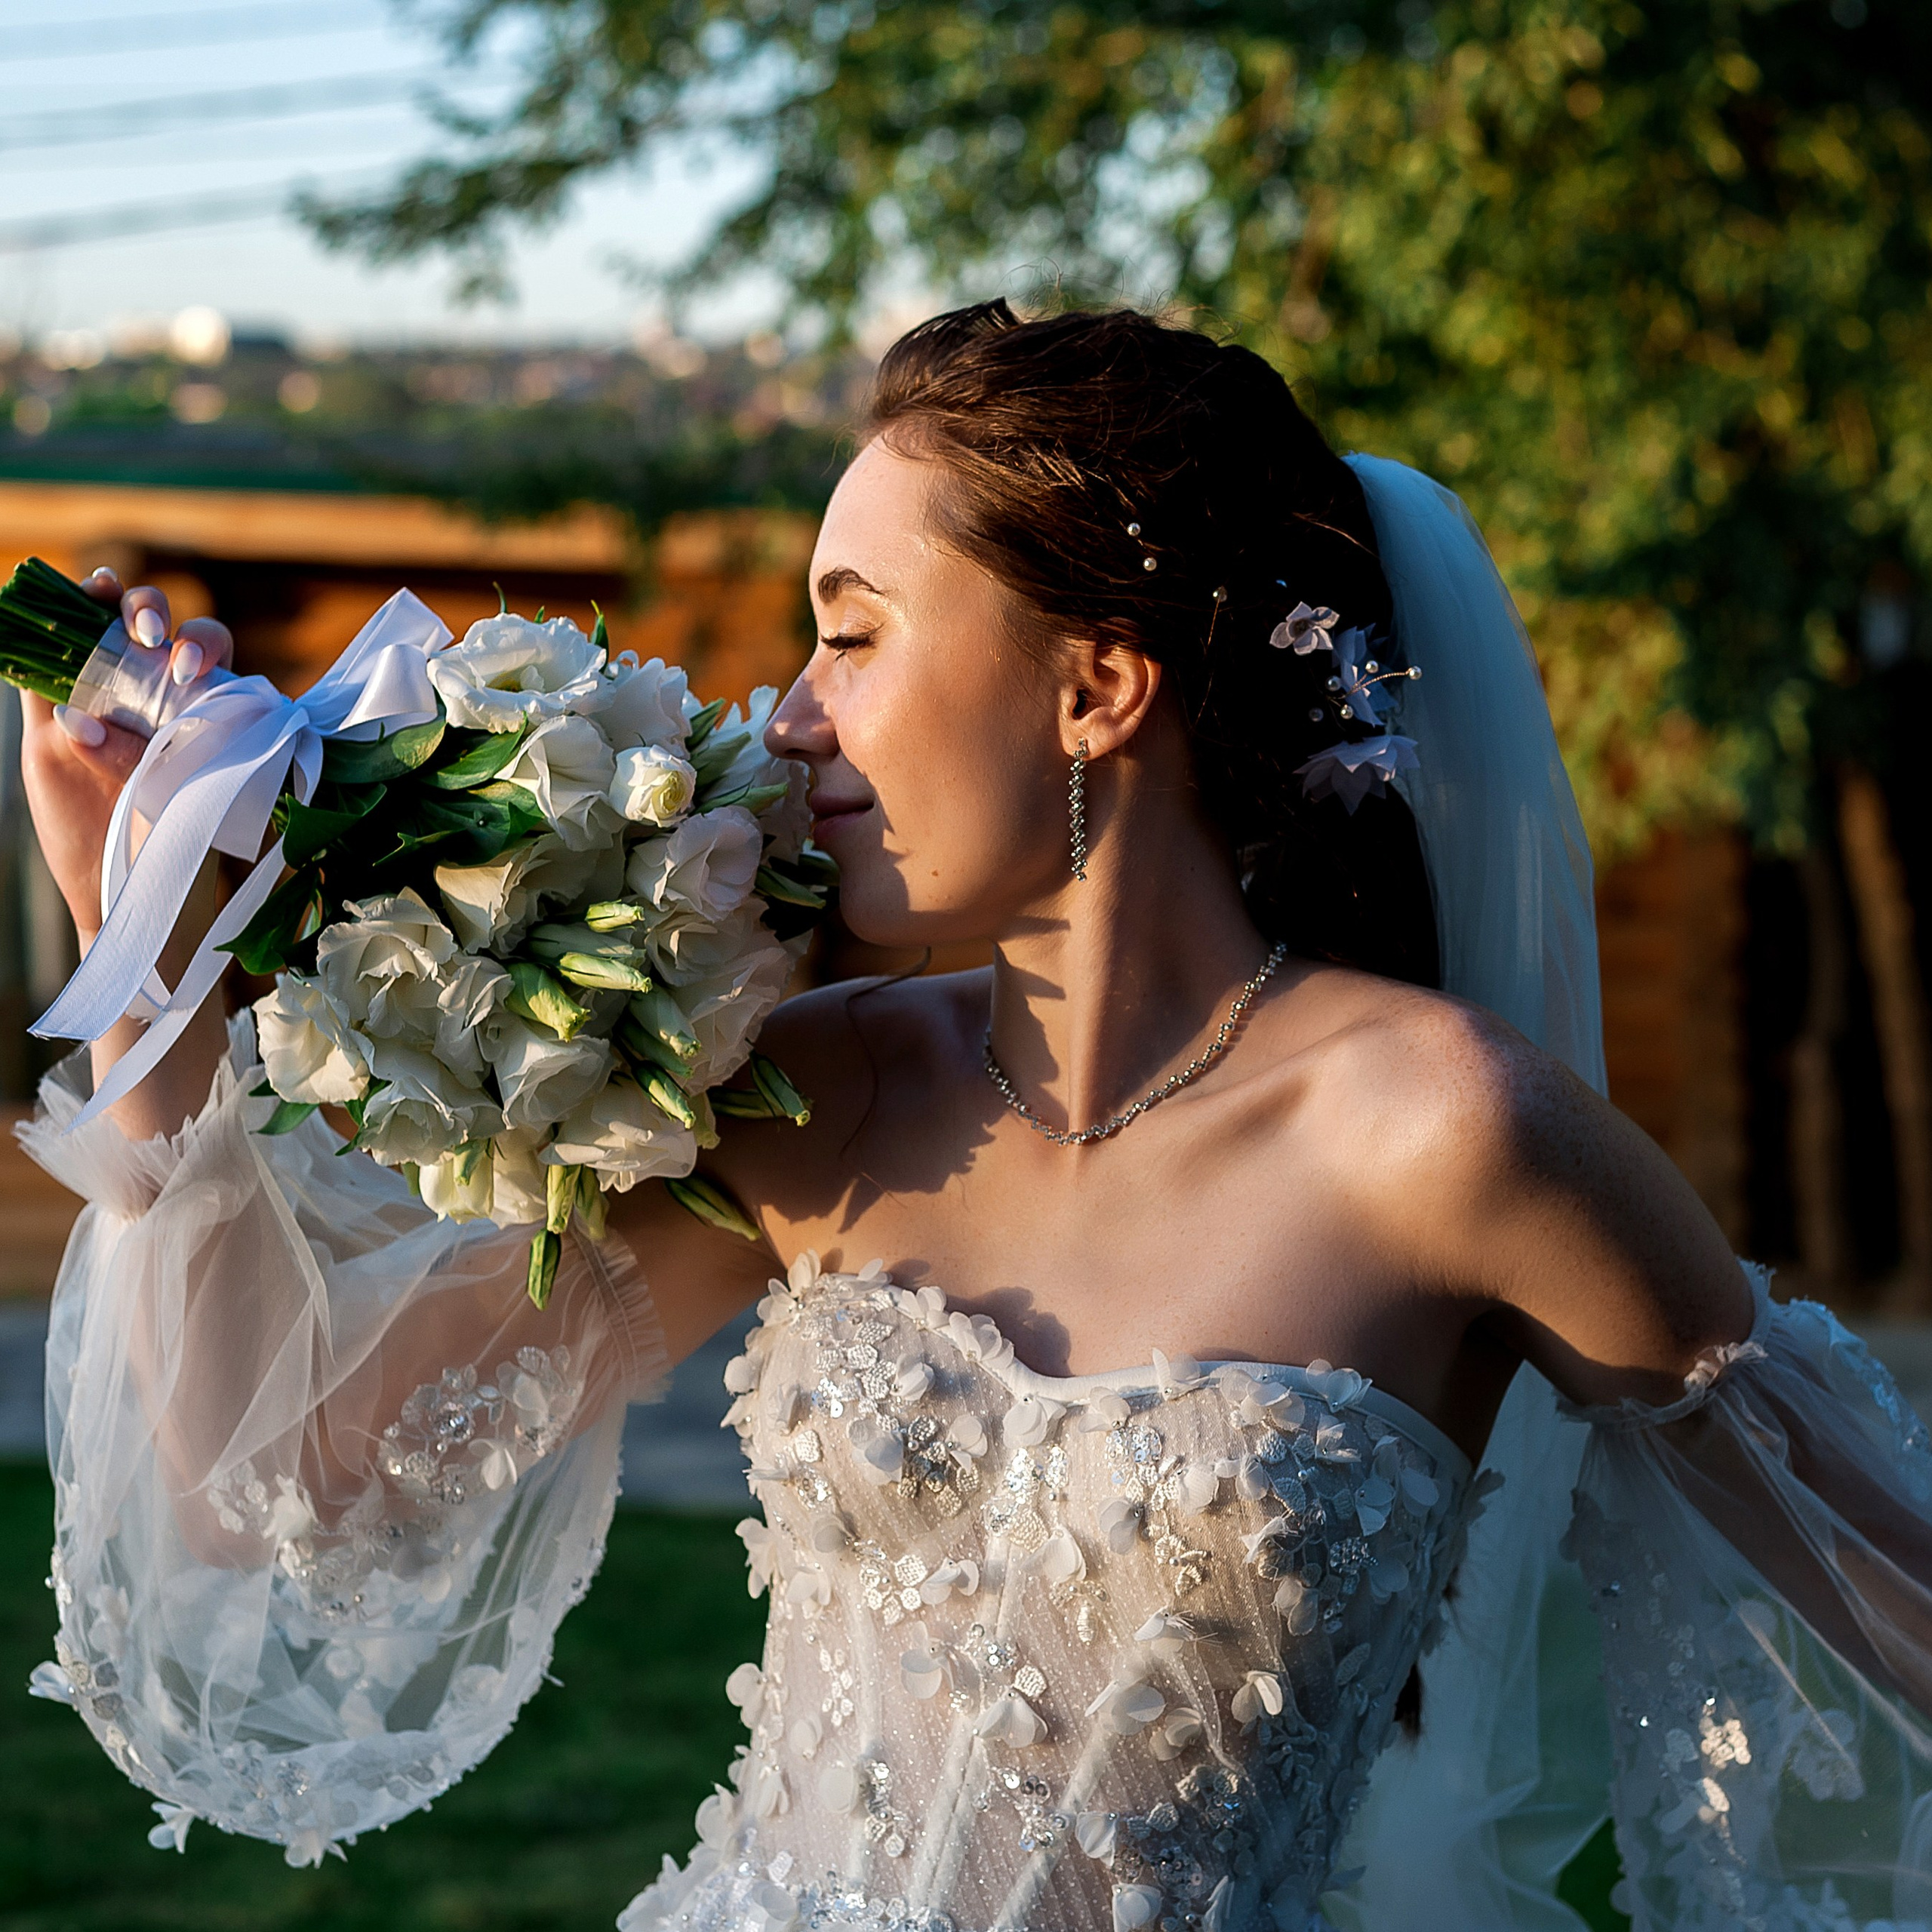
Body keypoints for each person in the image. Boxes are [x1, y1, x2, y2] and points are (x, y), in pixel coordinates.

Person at [17, 302, 1932, 1932]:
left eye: (852, 631)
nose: (789, 714)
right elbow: (291, 1493)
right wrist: (149, 979)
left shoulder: (1443, 1134)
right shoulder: (813, 1093)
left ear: (1096, 684)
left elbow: (1883, 1597)